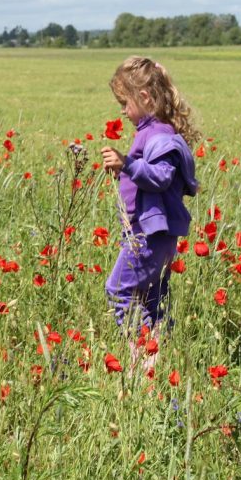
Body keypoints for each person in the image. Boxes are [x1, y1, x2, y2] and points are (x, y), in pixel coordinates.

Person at [99, 57, 200, 370]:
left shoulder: (159, 135)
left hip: (148, 235)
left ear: (143, 98)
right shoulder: (151, 131)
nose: (122, 113)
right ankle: (158, 360)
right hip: (151, 234)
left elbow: (161, 176)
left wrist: (126, 164)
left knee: (119, 290)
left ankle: (143, 357)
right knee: (152, 299)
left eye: (124, 104)